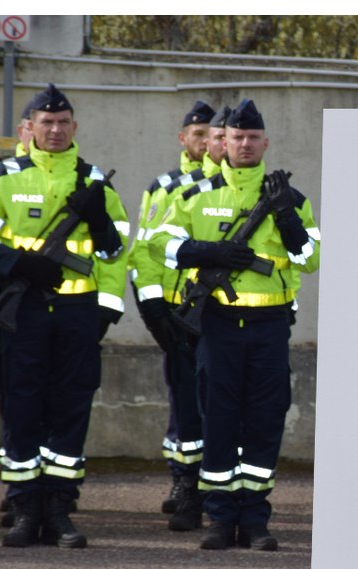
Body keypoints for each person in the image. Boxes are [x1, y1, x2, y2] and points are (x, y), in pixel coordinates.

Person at [151, 99, 320, 551]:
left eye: (252, 138)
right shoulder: (195, 195)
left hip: (269, 327)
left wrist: (286, 217)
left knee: (264, 422)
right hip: (219, 326)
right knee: (220, 419)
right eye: (236, 137)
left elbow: (311, 260)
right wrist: (211, 253)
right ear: (221, 142)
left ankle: (256, 518)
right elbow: (159, 246)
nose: (244, 144)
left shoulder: (290, 199)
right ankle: (222, 518)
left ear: (265, 142)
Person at [0, 83, 130, 548]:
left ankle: (59, 505)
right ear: (27, 128)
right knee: (21, 404)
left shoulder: (95, 181)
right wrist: (17, 263)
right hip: (22, 310)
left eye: (63, 123)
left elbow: (116, 252)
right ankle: (23, 505)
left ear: (74, 127)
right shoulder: (3, 177)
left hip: (77, 312)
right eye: (46, 123)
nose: (55, 130)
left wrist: (97, 220)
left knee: (71, 406)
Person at [130, 100, 216, 524]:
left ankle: (215, 489)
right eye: (198, 133)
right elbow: (144, 252)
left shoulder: (233, 186)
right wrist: (152, 308)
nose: (206, 141)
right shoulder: (166, 187)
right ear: (184, 139)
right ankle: (185, 481)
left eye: (212, 133)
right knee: (184, 403)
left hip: (220, 315)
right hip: (179, 315)